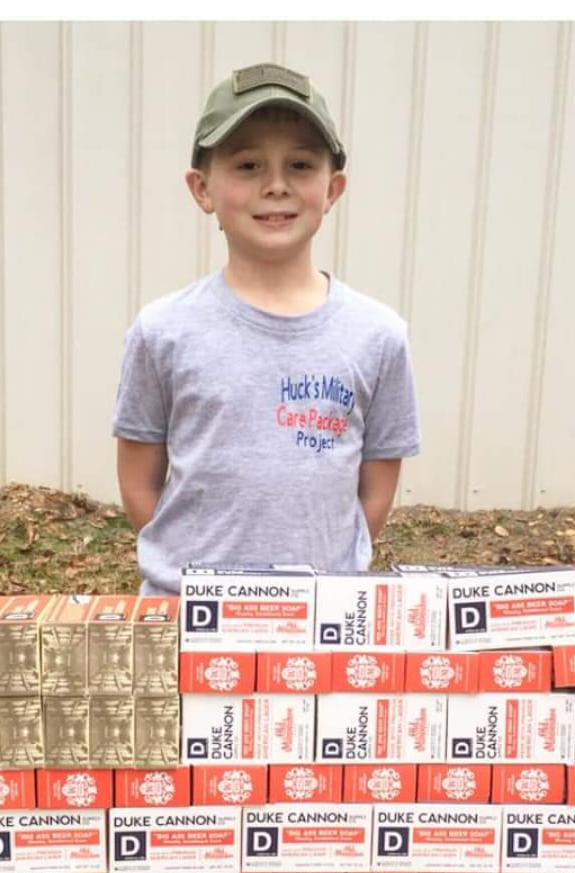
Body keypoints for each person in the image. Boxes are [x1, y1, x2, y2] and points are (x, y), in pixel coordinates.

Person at [112, 62, 421, 596]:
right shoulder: (163, 331)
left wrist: (318, 586)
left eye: (300, 165)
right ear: (202, 188)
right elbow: (139, 483)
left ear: (333, 189)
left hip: (321, 620)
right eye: (248, 165)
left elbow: (375, 490)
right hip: (190, 617)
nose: (276, 186)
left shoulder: (378, 335)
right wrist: (199, 582)